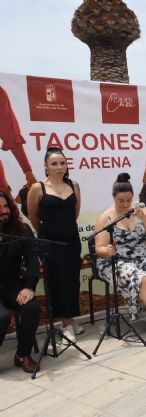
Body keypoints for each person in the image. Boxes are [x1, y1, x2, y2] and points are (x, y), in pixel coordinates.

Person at [94, 173, 146, 342]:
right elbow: (99, 249)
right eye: (121, 201)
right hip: (117, 260)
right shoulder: (106, 217)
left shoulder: (140, 208)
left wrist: (143, 216)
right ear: (113, 198)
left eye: (128, 200)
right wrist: (107, 250)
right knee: (143, 279)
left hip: (141, 254)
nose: (125, 204)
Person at [26, 147, 83, 342]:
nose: (59, 167)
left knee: (72, 280)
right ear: (46, 166)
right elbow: (33, 216)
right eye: (54, 164)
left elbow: (74, 214)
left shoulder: (74, 185)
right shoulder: (37, 188)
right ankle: (65, 324)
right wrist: (46, 235)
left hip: (72, 241)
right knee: (57, 281)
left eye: (62, 163)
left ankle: (70, 318)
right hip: (49, 244)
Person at [0, 191, 40, 373]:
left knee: (31, 307)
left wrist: (29, 287)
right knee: (2, 317)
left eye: (6, 206)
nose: (4, 211)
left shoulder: (21, 229)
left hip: (12, 284)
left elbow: (32, 260)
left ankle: (22, 354)